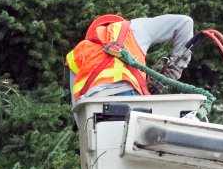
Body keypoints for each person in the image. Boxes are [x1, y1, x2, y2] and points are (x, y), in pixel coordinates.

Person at [65, 14, 195, 104]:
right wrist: (177, 67)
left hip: (93, 106)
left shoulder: (78, 52)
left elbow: (77, 106)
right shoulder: (133, 28)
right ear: (119, 22)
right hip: (128, 97)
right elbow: (185, 22)